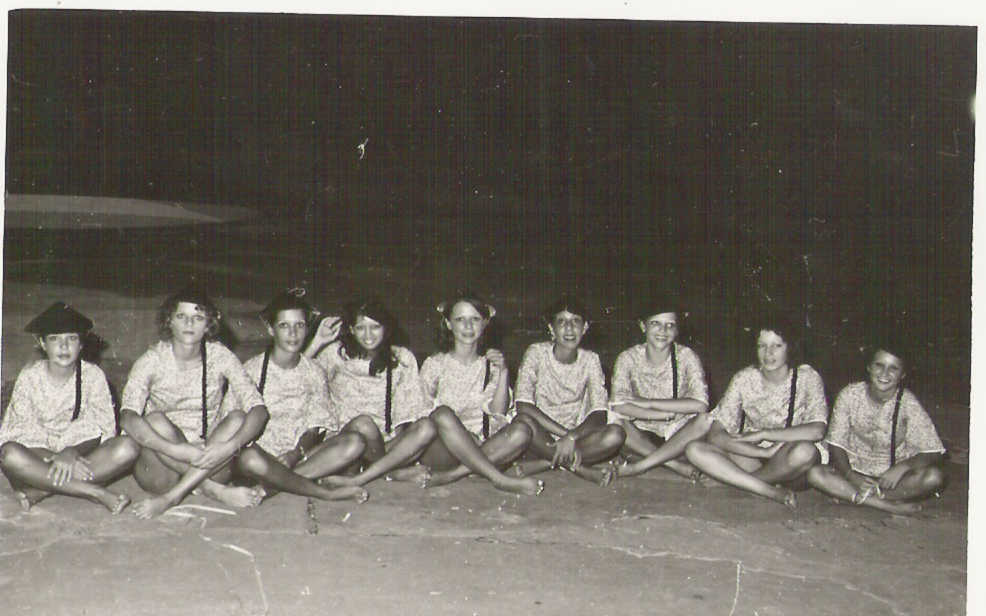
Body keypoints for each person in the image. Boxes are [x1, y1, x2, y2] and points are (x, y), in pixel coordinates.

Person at [119, 286, 270, 519]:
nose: (189, 324)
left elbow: (258, 409)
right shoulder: (152, 360)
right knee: (155, 420)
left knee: (238, 418)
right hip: (162, 468)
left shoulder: (219, 356)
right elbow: (127, 417)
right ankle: (211, 491)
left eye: (198, 318)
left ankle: (177, 495)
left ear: (209, 324)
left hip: (208, 461)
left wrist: (229, 447)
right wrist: (176, 450)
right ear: (169, 321)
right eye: (182, 316)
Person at [225, 290, 368, 503]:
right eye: (284, 325)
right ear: (271, 329)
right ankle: (322, 492)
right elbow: (233, 421)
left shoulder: (314, 371)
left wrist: (295, 453)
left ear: (307, 328)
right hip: (261, 459)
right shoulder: (251, 370)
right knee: (250, 459)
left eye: (299, 325)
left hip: (300, 457)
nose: (293, 333)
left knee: (354, 442)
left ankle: (270, 488)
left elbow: (316, 425)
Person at [0, 302, 138, 514]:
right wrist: (58, 458)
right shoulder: (30, 377)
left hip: (79, 455)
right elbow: (19, 431)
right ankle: (94, 492)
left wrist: (71, 453)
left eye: (71, 338)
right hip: (38, 457)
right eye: (54, 339)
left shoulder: (93, 375)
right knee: (9, 454)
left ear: (81, 344)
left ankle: (43, 490)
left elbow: (103, 428)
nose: (63, 347)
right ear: (42, 343)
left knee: (127, 447)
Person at [685, 318, 827, 508]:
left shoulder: (807, 377)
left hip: (790, 462)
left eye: (777, 346)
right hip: (753, 456)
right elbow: (716, 435)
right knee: (694, 449)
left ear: (790, 347)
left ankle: (736, 482)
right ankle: (769, 491)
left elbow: (817, 430)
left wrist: (765, 434)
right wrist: (762, 451)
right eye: (762, 346)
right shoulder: (745, 378)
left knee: (805, 451)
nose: (768, 353)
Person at [416, 294, 543, 495]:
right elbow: (421, 413)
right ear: (448, 324)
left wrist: (503, 372)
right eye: (460, 319)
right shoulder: (435, 364)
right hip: (443, 450)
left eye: (475, 319)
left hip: (484, 448)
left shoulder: (490, 365)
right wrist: (464, 436)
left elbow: (498, 412)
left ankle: (456, 475)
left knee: (522, 431)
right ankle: (499, 479)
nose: (468, 326)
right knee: (442, 414)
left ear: (484, 323)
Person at [304, 298, 436, 487]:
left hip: (385, 445)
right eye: (360, 328)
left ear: (386, 328)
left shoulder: (402, 357)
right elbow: (299, 376)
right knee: (364, 423)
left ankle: (372, 471)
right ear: (351, 329)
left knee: (427, 427)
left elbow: (406, 412)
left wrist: (403, 448)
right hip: (349, 441)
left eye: (375, 327)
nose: (368, 335)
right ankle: (389, 473)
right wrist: (317, 342)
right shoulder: (336, 354)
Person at [807, 342, 946, 513]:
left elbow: (934, 451)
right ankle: (886, 505)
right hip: (852, 472)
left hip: (889, 481)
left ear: (902, 374)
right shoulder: (850, 395)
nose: (884, 374)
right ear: (869, 367)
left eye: (893, 368)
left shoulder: (908, 403)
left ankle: (853, 496)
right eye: (879, 365)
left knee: (933, 477)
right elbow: (836, 444)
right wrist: (850, 475)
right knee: (815, 473)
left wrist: (903, 467)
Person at [511, 297, 625, 485]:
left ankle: (547, 463)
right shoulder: (536, 353)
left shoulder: (591, 359)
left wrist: (572, 437)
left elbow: (599, 412)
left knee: (616, 434)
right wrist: (566, 435)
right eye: (561, 322)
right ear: (551, 328)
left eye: (576, 321)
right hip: (540, 438)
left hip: (577, 439)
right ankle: (578, 468)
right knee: (522, 421)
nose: (569, 328)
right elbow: (523, 405)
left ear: (585, 327)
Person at [608, 300, 712, 480]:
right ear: (643, 326)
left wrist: (648, 403)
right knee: (614, 420)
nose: (663, 331)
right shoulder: (627, 358)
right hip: (640, 433)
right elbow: (618, 404)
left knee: (706, 421)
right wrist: (659, 415)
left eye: (670, 325)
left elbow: (701, 404)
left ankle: (640, 466)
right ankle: (674, 465)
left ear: (677, 330)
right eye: (655, 323)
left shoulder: (686, 356)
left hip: (677, 433)